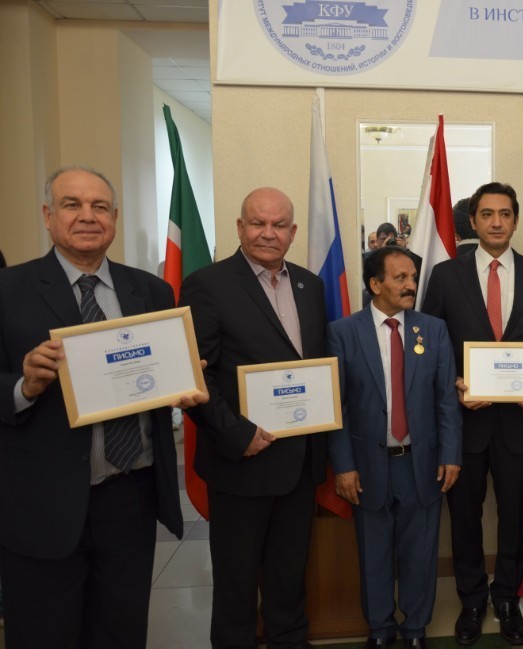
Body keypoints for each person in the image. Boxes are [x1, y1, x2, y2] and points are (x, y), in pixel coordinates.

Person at [0, 165, 206, 647]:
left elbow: (161, 381)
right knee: (45, 635)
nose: (87, 216)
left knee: (121, 632)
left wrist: (185, 380)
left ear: (114, 217)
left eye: (99, 207)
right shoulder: (8, 291)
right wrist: (24, 386)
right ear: (48, 217)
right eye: (72, 205)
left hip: (128, 499)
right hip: (42, 506)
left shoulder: (151, 292)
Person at [180, 187, 330, 649]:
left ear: (293, 231)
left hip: (299, 464)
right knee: (236, 588)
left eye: (279, 224)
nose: (269, 233)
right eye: (258, 223)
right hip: (242, 462)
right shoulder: (208, 284)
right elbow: (196, 377)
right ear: (240, 227)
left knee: (289, 581)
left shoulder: (310, 284)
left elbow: (313, 364)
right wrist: (238, 434)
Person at [422, 182, 523, 646]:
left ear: (516, 220)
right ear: (474, 221)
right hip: (464, 423)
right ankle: (471, 601)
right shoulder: (446, 276)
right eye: (487, 214)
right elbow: (428, 347)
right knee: (463, 517)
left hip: (521, 424)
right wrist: (454, 385)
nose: (497, 222)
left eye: (505, 214)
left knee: (514, 516)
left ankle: (507, 599)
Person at [328, 246, 461, 649]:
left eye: (412, 278)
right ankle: (381, 629)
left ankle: (415, 628)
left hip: (421, 463)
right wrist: (343, 465)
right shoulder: (343, 332)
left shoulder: (432, 329)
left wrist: (451, 454)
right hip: (367, 465)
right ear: (375, 284)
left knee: (420, 552)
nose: (410, 285)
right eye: (400, 278)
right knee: (374, 553)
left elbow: (446, 400)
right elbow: (337, 405)